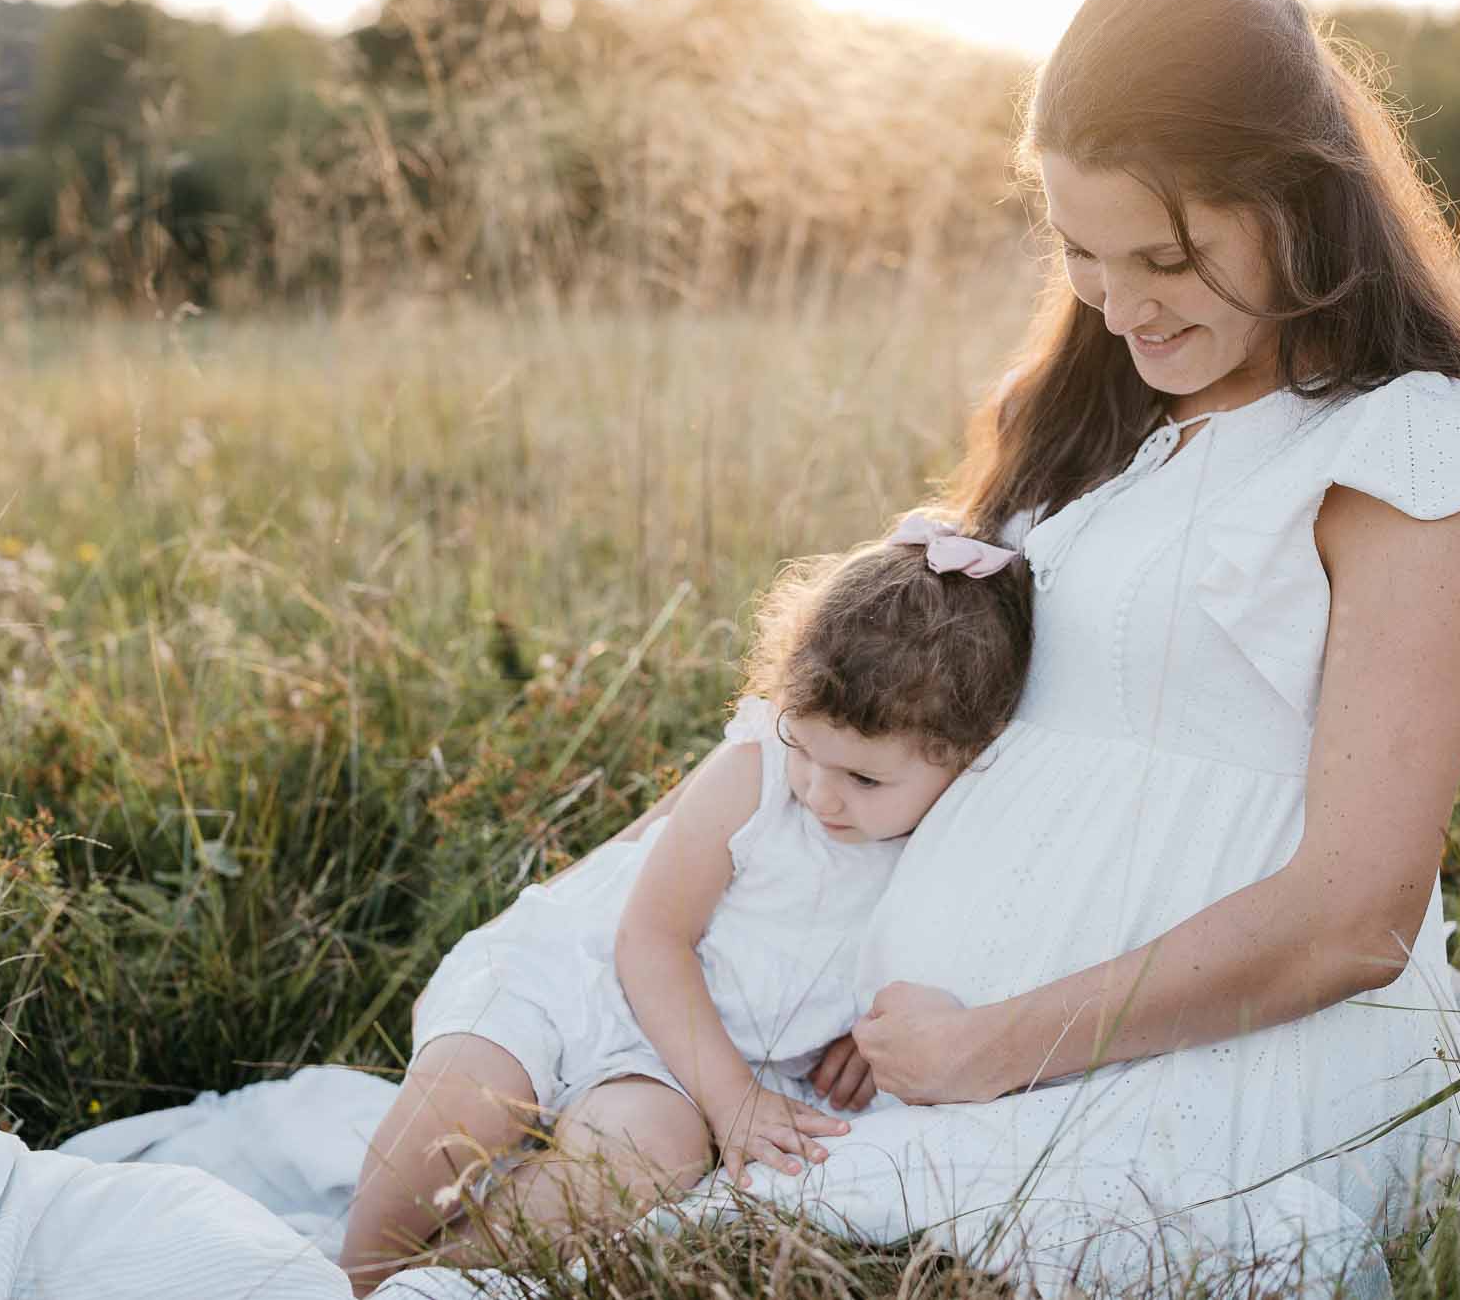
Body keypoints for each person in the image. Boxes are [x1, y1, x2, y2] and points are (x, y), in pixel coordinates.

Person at [536, 0, 1460, 1297]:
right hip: (932, 1047)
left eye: (1164, 256)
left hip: (1202, 1075)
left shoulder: (1402, 441)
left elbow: (1353, 916)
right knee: (551, 1099)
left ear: (1301, 200)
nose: (1120, 300)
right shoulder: (1114, 434)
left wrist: (989, 1043)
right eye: (1081, 252)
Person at [339, 516, 1034, 1293]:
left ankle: (424, 1278)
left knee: (649, 1157)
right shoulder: (756, 774)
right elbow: (651, 938)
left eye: (863, 780)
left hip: (678, 1061)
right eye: (804, 748)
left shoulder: (943, 849)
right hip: (577, 977)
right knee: (470, 1095)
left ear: (965, 756)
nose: (821, 794)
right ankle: (356, 1264)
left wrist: (864, 1031)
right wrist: (733, 1102)